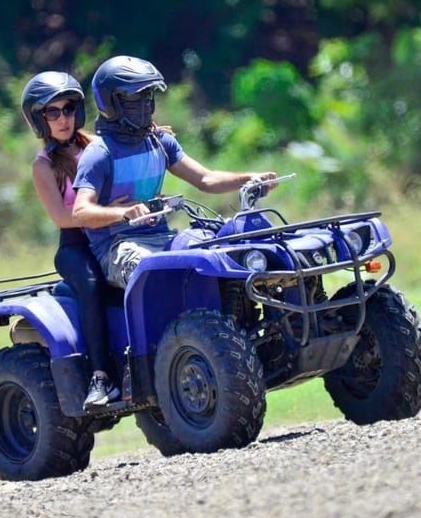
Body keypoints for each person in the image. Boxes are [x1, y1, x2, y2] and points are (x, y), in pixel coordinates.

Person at [72, 55, 277, 289]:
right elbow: (81, 211)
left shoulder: (160, 141)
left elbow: (206, 179)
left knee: (227, 252)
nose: (144, 103)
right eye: (134, 97)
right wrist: (123, 213)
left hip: (163, 237)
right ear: (110, 102)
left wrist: (248, 179)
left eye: (148, 95)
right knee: (155, 273)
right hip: (118, 246)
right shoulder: (99, 153)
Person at [21, 71, 119, 409]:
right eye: (52, 112)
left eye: (68, 108)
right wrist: (105, 211)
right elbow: (62, 217)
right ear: (39, 119)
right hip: (75, 245)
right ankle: (101, 378)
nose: (63, 119)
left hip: (113, 234)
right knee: (91, 285)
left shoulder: (96, 145)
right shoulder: (43, 165)